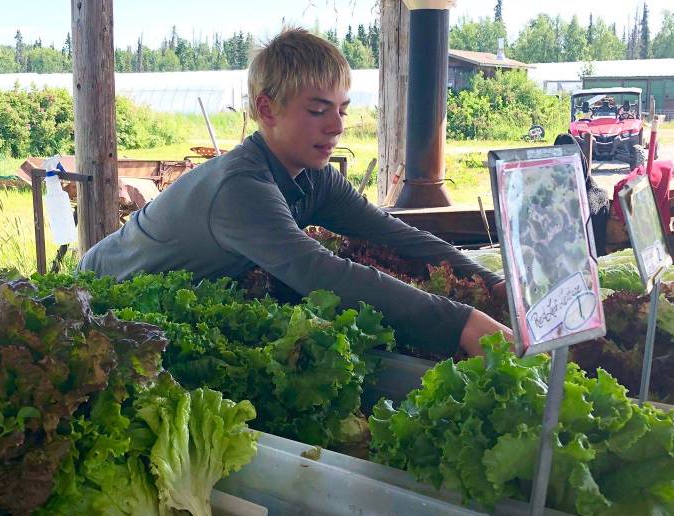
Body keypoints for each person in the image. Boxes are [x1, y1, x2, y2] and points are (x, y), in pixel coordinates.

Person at [80, 28, 511, 357]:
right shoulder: (241, 188)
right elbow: (319, 272)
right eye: (318, 110)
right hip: (101, 304)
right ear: (267, 108)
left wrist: (497, 286)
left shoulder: (312, 176)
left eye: (342, 110)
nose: (337, 127)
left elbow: (393, 234)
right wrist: (464, 323)